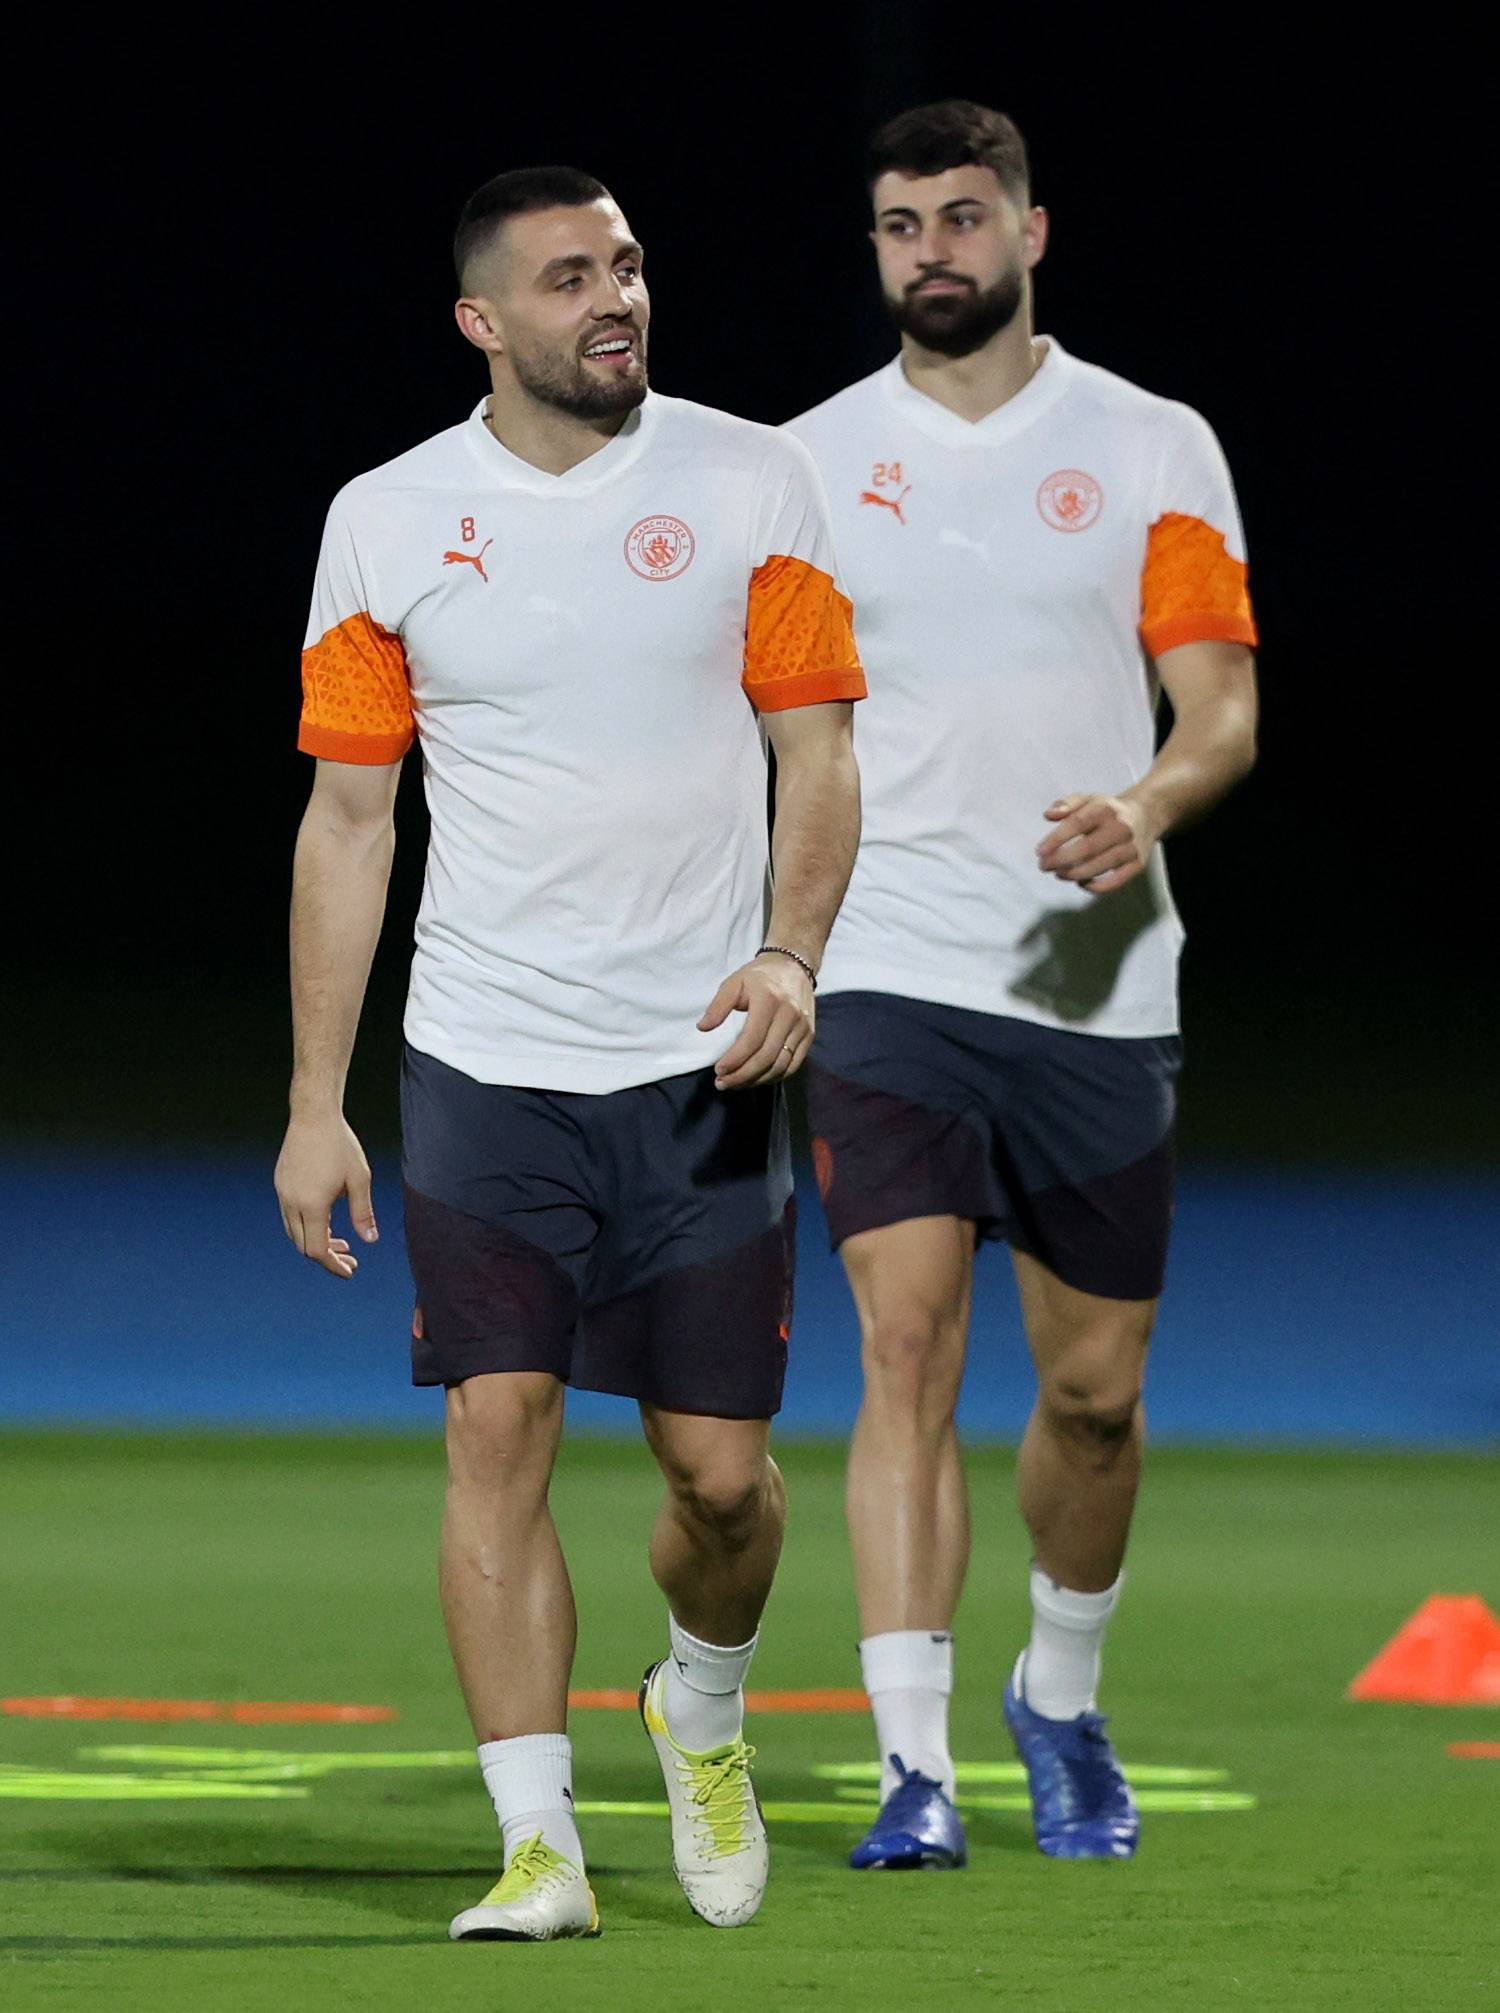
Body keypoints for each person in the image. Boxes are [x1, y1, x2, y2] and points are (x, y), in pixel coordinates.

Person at [273, 164, 864, 1941]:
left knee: (722, 1482)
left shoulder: (754, 478)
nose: (615, 297)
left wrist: (792, 950)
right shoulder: (383, 517)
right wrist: (317, 1098)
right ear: (482, 321)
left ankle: (700, 1697)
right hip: (482, 1063)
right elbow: (348, 824)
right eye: (567, 277)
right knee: (496, 1427)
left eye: (625, 265)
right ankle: (540, 1845)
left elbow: (817, 755)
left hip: (703, 1065)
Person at [784, 100, 1258, 1869]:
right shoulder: (808, 462)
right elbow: (775, 722)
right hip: (889, 965)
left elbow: (1221, 702)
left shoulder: (1149, 445)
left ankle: (1057, 1693)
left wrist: (1143, 801)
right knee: (903, 1344)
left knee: (1093, 1395)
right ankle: (916, 1765)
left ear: (1033, 231)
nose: (932, 254)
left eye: (964, 219)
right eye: (901, 225)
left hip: (1093, 980)